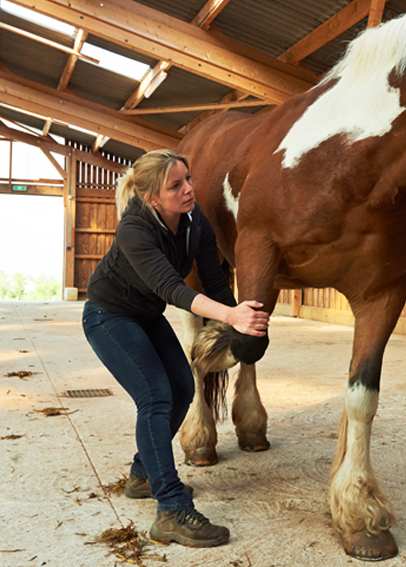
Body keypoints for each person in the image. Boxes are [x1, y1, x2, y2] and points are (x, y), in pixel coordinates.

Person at [82, 149, 268, 548]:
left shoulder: (193, 220)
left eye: (188, 179)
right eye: (176, 185)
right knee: (156, 397)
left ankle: (142, 473)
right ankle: (170, 509)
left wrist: (237, 321)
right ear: (152, 198)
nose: (189, 189)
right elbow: (172, 289)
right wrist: (232, 317)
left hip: (146, 316)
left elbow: (214, 281)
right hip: (109, 316)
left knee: (183, 389)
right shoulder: (134, 228)